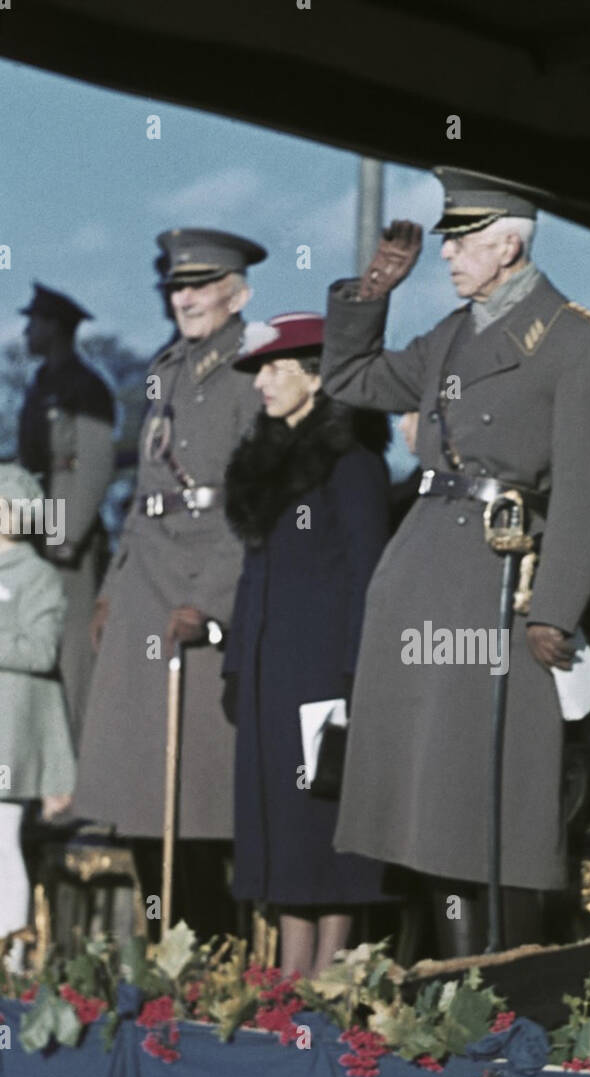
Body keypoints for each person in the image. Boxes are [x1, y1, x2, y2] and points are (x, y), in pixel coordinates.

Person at [320, 166, 590, 957]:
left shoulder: (578, 339)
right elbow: (349, 378)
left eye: (460, 241)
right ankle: (436, 979)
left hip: (500, 579)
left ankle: (494, 987)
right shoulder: (452, 334)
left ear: (509, 245)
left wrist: (556, 607)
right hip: (421, 568)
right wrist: (372, 294)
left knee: (484, 797)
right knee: (419, 798)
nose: (447, 254)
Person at [73, 228, 266, 937]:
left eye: (201, 286)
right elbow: (148, 490)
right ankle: (161, 953)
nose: (185, 298)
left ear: (237, 294)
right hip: (145, 584)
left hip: (199, 588)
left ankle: (209, 954)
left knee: (197, 797)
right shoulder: (170, 367)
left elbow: (252, 504)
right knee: (140, 792)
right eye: (177, 287)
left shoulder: (250, 370)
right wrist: (111, 588)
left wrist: (212, 602)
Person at [222, 312, 391, 978]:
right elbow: (252, 573)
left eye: (275, 368)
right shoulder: (265, 468)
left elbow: (368, 572)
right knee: (282, 819)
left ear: (317, 377)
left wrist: (355, 672)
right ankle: (292, 969)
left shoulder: (353, 464)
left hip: (324, 669)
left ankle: (333, 971)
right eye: (259, 369)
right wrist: (236, 664)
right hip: (270, 672)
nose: (261, 382)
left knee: (324, 815)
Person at [17, 283, 116, 745]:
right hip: (37, 523)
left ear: (55, 327)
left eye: (33, 323)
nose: (26, 332)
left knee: (73, 651)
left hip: (64, 530)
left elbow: (93, 464)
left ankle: (81, 759)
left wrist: (64, 535)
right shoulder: (41, 384)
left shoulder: (83, 386)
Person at [0, 465, 75, 973]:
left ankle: (12, 956)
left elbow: (42, 650)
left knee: (2, 841)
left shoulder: (38, 577)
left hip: (11, 735)